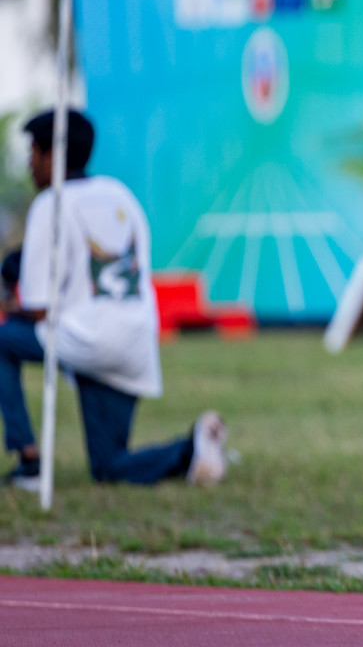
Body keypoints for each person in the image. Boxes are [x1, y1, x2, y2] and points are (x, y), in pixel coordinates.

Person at [3, 109, 226, 491]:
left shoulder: (48, 205)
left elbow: (41, 310)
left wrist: (9, 307)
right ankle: (191, 449)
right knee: (109, 466)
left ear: (52, 156)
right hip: (134, 340)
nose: (29, 164)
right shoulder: (120, 195)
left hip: (83, 338)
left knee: (3, 339)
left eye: (33, 152)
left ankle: (29, 461)